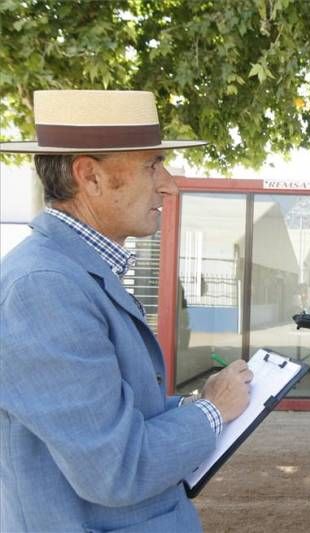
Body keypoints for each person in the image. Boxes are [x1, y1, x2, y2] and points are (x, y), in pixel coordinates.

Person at [0, 90, 253, 532]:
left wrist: (193, 405)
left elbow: (110, 412)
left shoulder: (69, 272)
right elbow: (117, 468)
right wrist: (212, 411)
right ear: (89, 176)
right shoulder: (45, 286)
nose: (169, 184)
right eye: (151, 165)